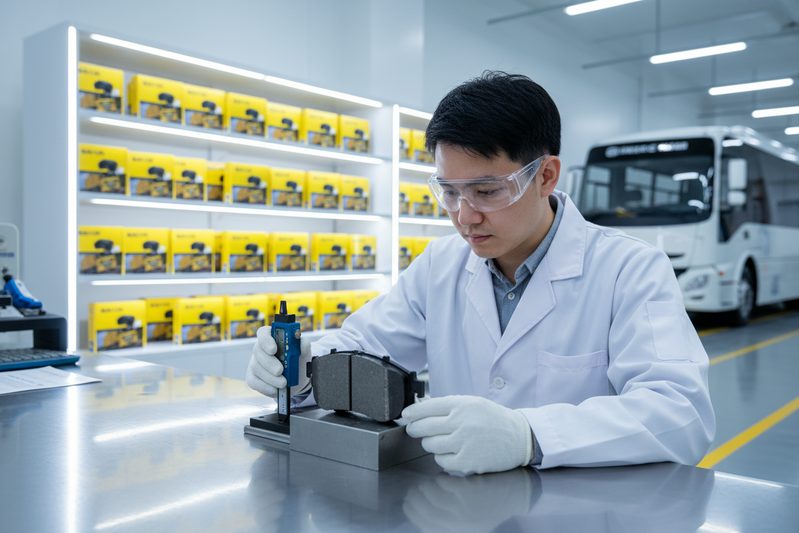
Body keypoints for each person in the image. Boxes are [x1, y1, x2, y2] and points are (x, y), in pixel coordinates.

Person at [246, 71, 715, 475]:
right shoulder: (441, 265)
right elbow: (366, 347)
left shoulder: (628, 268)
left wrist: (529, 434)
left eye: (487, 191)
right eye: (449, 192)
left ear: (546, 175)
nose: (464, 216)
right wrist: (303, 368)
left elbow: (681, 414)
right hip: (461, 505)